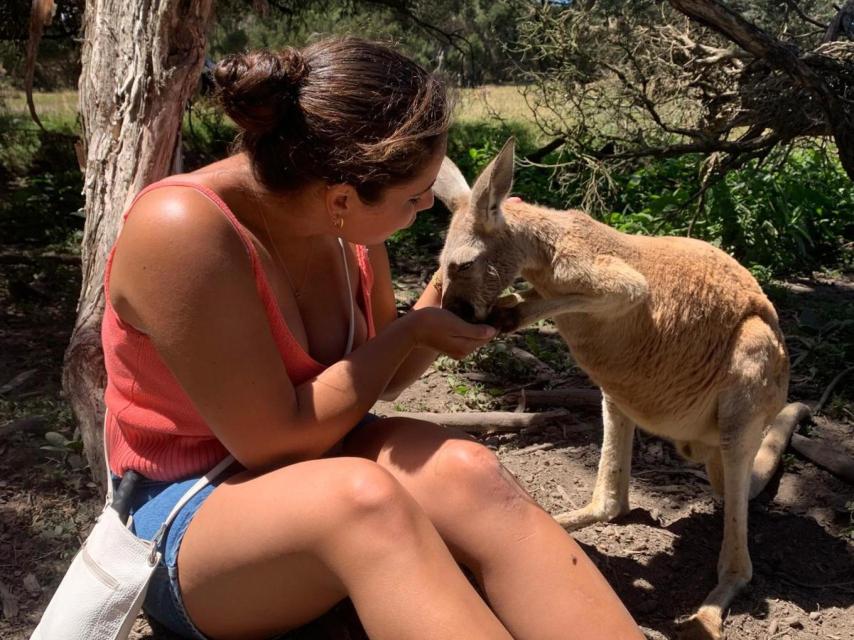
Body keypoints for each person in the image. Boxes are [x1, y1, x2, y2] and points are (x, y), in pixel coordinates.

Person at [102, 37, 644, 640]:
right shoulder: (183, 231)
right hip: (185, 509)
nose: (422, 211)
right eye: (415, 199)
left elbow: (377, 380)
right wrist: (413, 330)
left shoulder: (350, 227)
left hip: (322, 457)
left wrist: (456, 275)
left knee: (469, 472)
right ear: (340, 197)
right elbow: (274, 442)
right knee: (362, 505)